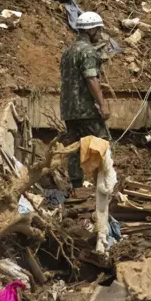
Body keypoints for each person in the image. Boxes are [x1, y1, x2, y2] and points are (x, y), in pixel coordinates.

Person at [60, 12, 111, 188]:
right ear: (92, 30)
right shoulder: (88, 51)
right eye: (98, 30)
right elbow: (91, 78)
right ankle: (103, 184)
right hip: (86, 108)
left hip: (69, 109)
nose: (99, 34)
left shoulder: (68, 51)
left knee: (74, 146)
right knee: (101, 142)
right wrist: (102, 104)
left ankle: (77, 186)